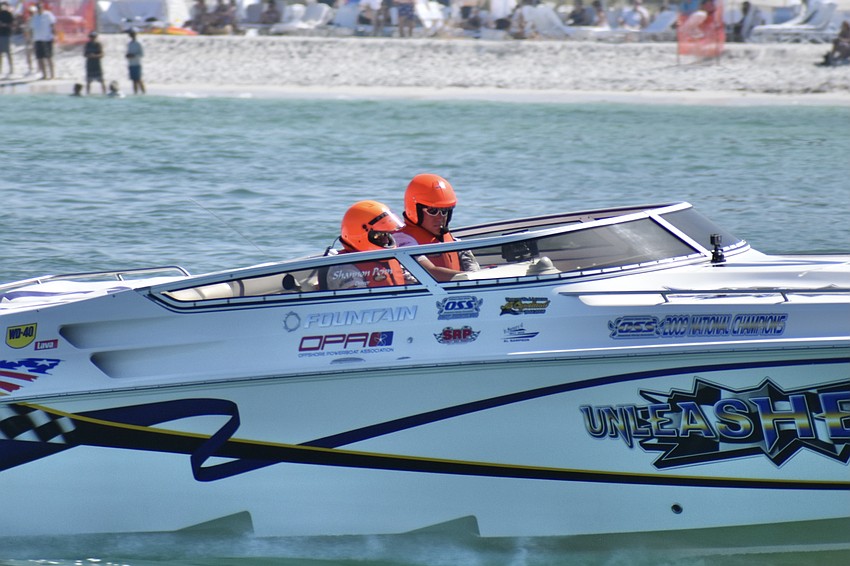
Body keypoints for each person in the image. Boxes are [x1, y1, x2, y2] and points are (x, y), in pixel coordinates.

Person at [394, 173, 479, 282]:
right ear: (416, 210)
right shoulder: (403, 242)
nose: (440, 218)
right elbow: (430, 271)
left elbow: (475, 272)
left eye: (445, 211)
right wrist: (469, 277)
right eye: (432, 211)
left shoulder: (455, 242)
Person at [325, 200, 410, 290]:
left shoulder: (394, 259)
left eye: (387, 234)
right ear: (360, 236)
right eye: (379, 235)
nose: (385, 239)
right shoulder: (343, 268)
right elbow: (358, 301)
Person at [30, 2, 55, 80]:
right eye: (38, 8)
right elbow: (32, 28)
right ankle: (44, 75)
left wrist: (53, 36)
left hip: (47, 39)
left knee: (49, 57)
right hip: (38, 39)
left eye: (40, 7)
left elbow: (53, 25)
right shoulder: (35, 17)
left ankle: (52, 75)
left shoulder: (48, 14)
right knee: (40, 58)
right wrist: (32, 38)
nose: (39, 9)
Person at [83, 30, 106, 95]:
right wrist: (89, 56)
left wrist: (95, 56)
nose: (92, 38)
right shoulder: (88, 44)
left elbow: (102, 54)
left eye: (93, 37)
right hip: (90, 64)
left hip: (97, 64)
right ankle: (88, 93)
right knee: (88, 81)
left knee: (101, 80)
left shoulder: (98, 44)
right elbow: (84, 54)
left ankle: (104, 93)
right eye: (91, 37)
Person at [126, 29, 145, 94]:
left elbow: (142, 54)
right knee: (133, 80)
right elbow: (128, 53)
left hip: (137, 63)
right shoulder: (129, 44)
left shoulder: (139, 43)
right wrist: (128, 55)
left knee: (139, 79)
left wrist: (133, 55)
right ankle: (135, 93)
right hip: (131, 63)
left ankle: (143, 93)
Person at [0, 1, 14, 77]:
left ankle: (11, 69)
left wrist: (4, 25)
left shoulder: (8, 14)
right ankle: (0, 70)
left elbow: (12, 24)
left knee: (8, 52)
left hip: (6, 35)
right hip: (0, 35)